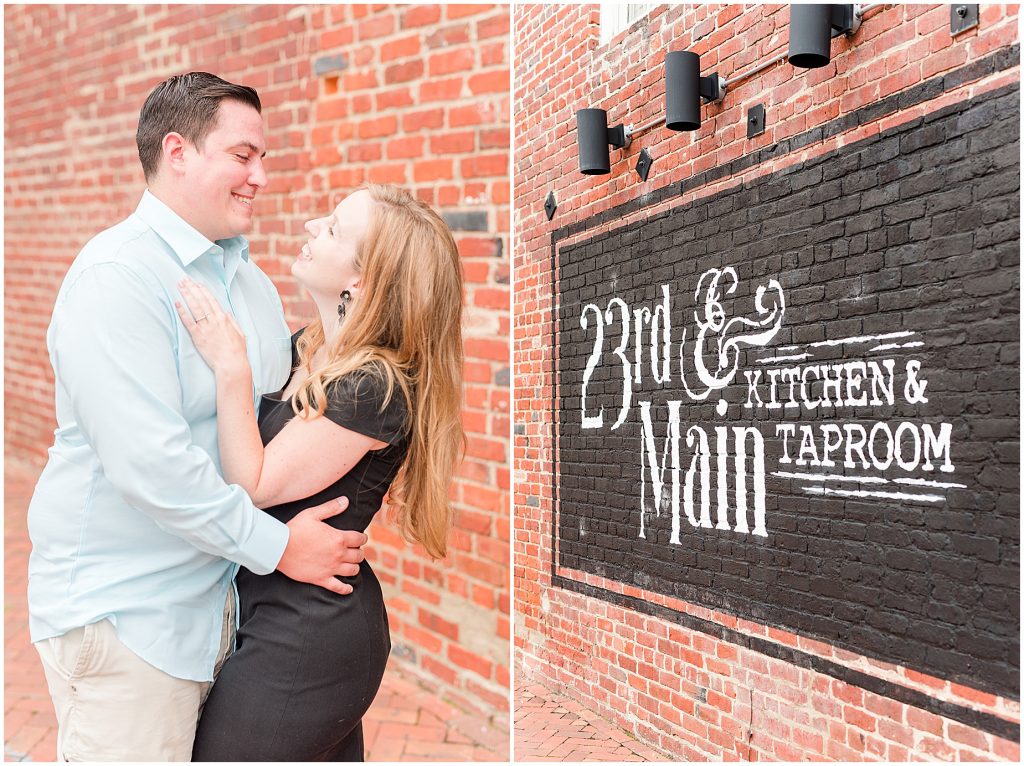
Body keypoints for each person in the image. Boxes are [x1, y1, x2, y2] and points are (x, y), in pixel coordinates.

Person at [26, 72, 368, 762]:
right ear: (177, 151)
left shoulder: (252, 284)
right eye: (243, 156)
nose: (261, 177)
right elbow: (152, 469)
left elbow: (274, 427)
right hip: (129, 618)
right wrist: (280, 549)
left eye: (262, 159)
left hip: (226, 609)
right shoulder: (115, 279)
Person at [179, 184, 465, 761]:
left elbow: (251, 484)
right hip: (275, 612)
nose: (312, 226)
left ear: (362, 282)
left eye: (333, 229)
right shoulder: (308, 349)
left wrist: (231, 368)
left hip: (308, 635)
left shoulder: (374, 387)